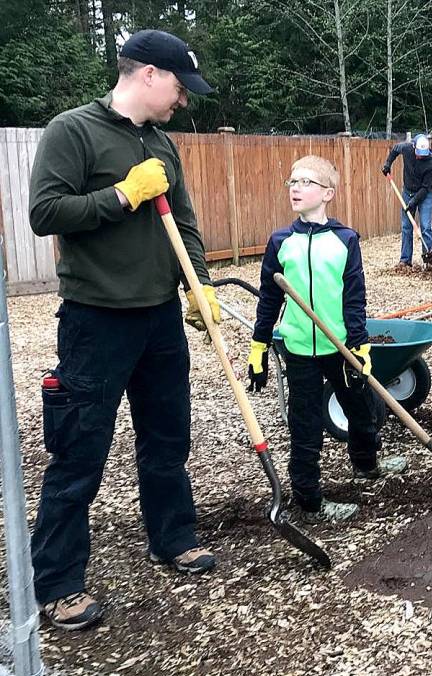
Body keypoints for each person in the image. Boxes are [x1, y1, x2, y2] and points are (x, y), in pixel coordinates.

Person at [28, 29, 220, 631]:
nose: (182, 102)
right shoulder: (73, 131)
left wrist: (199, 282)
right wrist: (121, 195)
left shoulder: (163, 144)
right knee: (79, 449)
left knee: (167, 437)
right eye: (179, 89)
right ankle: (58, 581)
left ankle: (172, 537)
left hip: (159, 316)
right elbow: (45, 213)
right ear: (148, 76)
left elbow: (183, 223)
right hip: (96, 319)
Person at [248, 155, 407, 524]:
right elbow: (269, 298)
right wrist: (258, 346)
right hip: (300, 349)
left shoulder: (345, 239)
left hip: (340, 347)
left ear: (328, 193)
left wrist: (360, 344)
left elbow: (354, 297)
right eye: (292, 182)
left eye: (306, 182)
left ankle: (366, 464)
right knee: (304, 424)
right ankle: (309, 499)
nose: (296, 188)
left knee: (362, 408)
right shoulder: (280, 242)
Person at [381, 134, 432, 266]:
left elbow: (425, 188)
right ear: (413, 147)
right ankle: (405, 260)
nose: (420, 157)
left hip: (424, 195)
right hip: (407, 192)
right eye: (418, 153)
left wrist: (413, 203)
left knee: (425, 227)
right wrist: (388, 164)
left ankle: (429, 259)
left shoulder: (430, 164)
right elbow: (395, 149)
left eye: (423, 154)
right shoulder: (406, 148)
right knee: (406, 226)